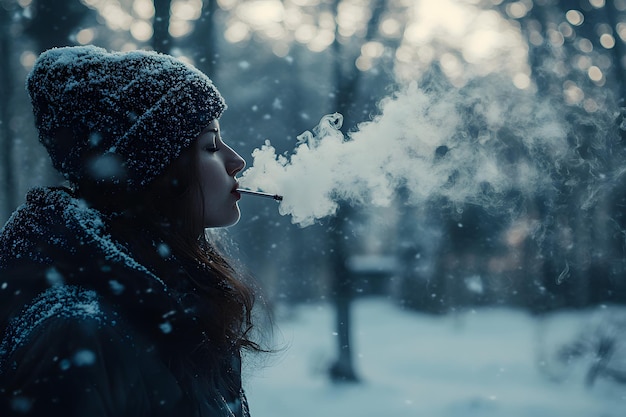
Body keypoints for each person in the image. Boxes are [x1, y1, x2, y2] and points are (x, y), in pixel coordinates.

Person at [0, 45, 263, 416]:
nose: (236, 161)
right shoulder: (75, 333)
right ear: (152, 171)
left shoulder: (176, 297)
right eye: (209, 145)